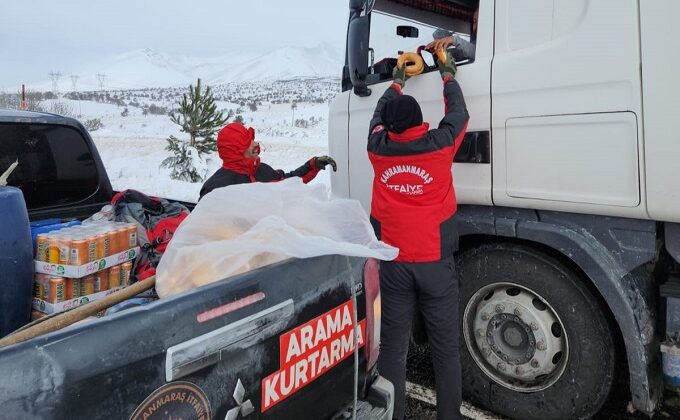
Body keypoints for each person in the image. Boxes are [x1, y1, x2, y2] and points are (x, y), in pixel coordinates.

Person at [367, 51, 469, 420]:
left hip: (393, 264)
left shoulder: (377, 148)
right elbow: (459, 114)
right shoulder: (440, 145)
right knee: (445, 350)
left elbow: (378, 114)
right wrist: (447, 73)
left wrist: (397, 80)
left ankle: (394, 416)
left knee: (393, 349)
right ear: (420, 122)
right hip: (435, 265)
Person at [199, 122, 337, 200]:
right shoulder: (216, 188)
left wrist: (313, 165)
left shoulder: (262, 171)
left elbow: (288, 182)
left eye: (253, 139)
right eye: (248, 142)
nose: (255, 144)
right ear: (236, 150)